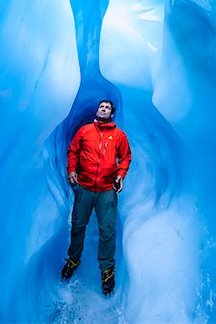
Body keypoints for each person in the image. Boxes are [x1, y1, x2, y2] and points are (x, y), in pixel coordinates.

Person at [61, 100, 131, 295]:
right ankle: (73, 258)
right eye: (102, 106)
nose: (104, 109)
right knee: (78, 225)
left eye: (107, 107)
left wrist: (120, 174)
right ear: (97, 110)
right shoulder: (85, 131)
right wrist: (72, 169)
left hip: (106, 190)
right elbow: (73, 150)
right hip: (84, 186)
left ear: (112, 113)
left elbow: (125, 157)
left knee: (107, 231)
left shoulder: (119, 136)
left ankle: (107, 269)